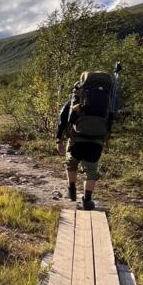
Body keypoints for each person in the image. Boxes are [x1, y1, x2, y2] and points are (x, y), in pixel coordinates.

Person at [55, 71, 115, 210]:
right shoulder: (107, 100)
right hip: (97, 140)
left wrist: (59, 139)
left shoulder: (78, 98)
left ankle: (71, 189)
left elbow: (63, 118)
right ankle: (87, 200)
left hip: (77, 138)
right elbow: (111, 119)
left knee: (71, 163)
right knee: (91, 170)